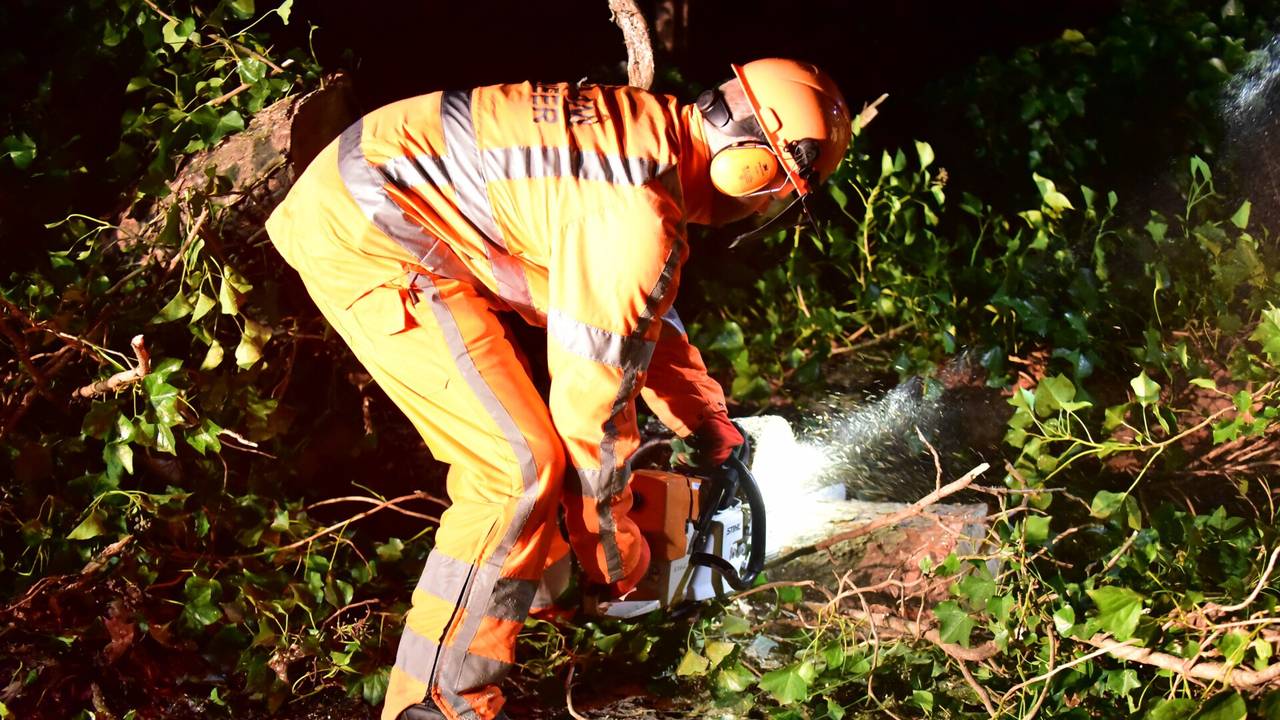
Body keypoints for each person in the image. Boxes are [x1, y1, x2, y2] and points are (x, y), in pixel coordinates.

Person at [265, 57, 851, 720]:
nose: (766, 203)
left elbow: (640, 319)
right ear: (755, 165)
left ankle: (537, 601)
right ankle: (436, 705)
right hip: (370, 230)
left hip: (392, 201)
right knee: (513, 468)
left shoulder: (646, 145)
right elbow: (593, 410)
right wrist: (616, 558)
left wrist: (705, 420)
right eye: (777, 190)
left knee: (536, 455)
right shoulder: (634, 213)